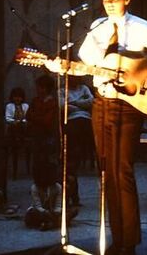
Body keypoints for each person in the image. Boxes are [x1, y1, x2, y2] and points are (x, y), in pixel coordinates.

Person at [46, 0, 147, 255]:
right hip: (101, 102)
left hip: (128, 105)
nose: (109, 2)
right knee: (106, 171)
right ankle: (116, 239)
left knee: (123, 171)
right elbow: (91, 64)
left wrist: (140, 70)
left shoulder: (142, 27)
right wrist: (62, 66)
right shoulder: (97, 27)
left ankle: (128, 243)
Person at [59, 75, 94, 206]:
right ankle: (76, 154)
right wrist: (81, 104)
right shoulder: (62, 91)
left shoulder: (84, 88)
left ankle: (85, 152)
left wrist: (74, 103)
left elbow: (91, 101)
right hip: (71, 119)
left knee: (86, 128)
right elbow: (63, 106)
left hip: (85, 118)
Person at [4, 87, 30, 179]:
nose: (17, 99)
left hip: (23, 128)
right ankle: (16, 140)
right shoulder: (9, 106)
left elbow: (28, 117)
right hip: (13, 127)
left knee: (23, 126)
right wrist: (15, 121)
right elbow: (7, 118)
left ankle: (21, 139)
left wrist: (21, 121)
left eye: (19, 97)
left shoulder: (26, 106)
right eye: (15, 97)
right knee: (14, 128)